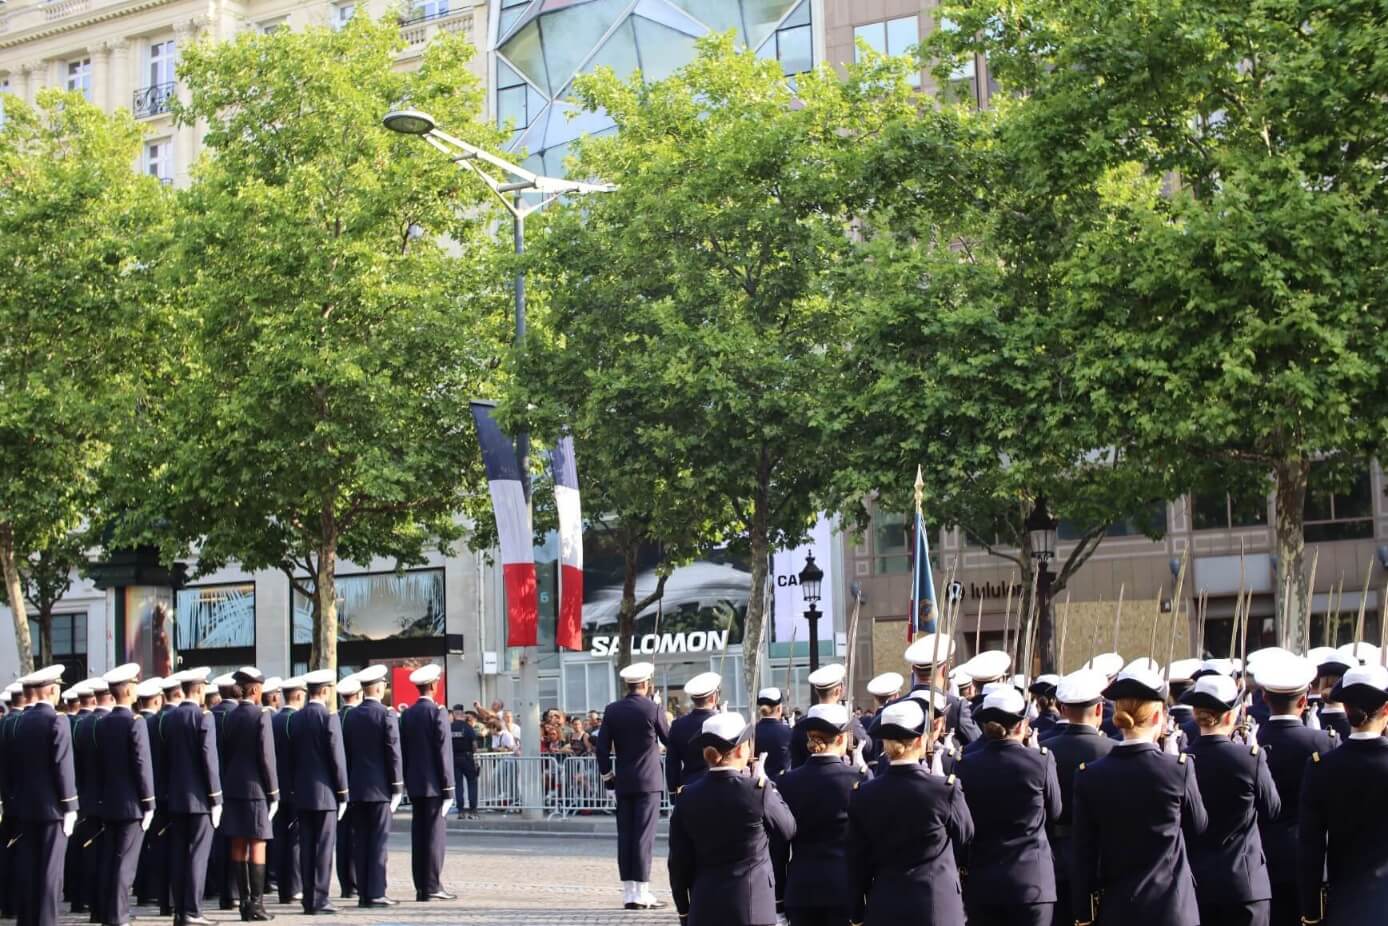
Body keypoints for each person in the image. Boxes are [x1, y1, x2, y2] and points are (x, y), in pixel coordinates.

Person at [1071, 664, 1207, 926]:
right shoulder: (1178, 769)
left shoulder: (1090, 775)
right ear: (1157, 717)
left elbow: (1083, 853)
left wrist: (1084, 915)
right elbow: (1198, 825)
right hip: (1171, 907)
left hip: (1119, 909)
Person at [847, 698, 973, 926]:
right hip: (936, 904)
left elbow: (858, 861)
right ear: (919, 740)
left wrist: (857, 914)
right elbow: (964, 835)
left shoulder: (863, 794)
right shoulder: (944, 790)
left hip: (886, 905)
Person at [667, 712, 795, 926]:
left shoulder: (687, 796)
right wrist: (769, 787)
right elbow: (788, 828)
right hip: (752, 906)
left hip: (705, 905)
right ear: (739, 750)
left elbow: (678, 863)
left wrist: (683, 910)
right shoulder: (758, 791)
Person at [952, 685, 1061, 926]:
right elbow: (1055, 811)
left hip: (984, 883)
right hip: (1032, 882)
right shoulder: (1041, 760)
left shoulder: (964, 764)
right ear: (1021, 725)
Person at [1179, 672, 1281, 926]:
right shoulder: (1249, 757)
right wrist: (1253, 754)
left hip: (1197, 883)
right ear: (1229, 716)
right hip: (1245, 884)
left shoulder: (1181, 761)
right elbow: (1272, 809)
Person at [1298, 662, 1388, 926]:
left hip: (1345, 906)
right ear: (1386, 709)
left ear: (1346, 709)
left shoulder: (1321, 767)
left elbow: (1311, 849)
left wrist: (1312, 913)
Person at [1254, 653, 1335, 926]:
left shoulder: (1250, 742)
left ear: (1264, 697)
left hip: (1264, 860)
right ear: (1303, 701)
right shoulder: (1323, 742)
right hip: (1312, 859)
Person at [776, 704, 863, 926]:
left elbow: (779, 846)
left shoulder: (787, 781)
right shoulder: (857, 778)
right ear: (841, 738)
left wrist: (779, 897)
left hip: (801, 887)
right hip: (844, 887)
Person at [594, 661, 669, 911]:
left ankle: (629, 892)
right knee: (643, 837)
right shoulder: (653, 708)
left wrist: (608, 778)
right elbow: (669, 738)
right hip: (648, 782)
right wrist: (659, 710)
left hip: (623, 782)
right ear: (646, 684)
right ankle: (642, 892)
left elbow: (602, 748)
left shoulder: (612, 710)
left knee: (625, 836)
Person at [1043, 668, 1114, 926]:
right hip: (1100, 855)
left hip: (1054, 856)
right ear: (1099, 709)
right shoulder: (1113, 750)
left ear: (1062, 709)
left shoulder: (1043, 750)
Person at [160, 667, 223, 926]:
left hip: (176, 797)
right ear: (199, 690)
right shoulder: (203, 717)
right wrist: (216, 797)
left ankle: (179, 910)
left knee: (178, 854)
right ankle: (192, 910)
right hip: (199, 799)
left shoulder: (170, 717)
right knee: (197, 855)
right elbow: (209, 760)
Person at [94, 664, 156, 926]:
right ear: (129, 690)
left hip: (109, 801)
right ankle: (119, 916)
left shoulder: (102, 723)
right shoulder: (135, 722)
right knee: (125, 864)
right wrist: (149, 801)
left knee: (110, 860)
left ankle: (108, 913)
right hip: (132, 803)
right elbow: (142, 764)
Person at [287, 670, 349, 916]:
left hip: (302, 791)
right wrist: (343, 791)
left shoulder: (296, 718)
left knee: (306, 848)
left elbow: (291, 757)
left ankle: (308, 898)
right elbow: (337, 758)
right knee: (323, 848)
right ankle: (320, 898)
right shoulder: (329, 717)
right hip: (325, 793)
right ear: (324, 691)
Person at [220, 667, 279, 922]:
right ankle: (256, 903)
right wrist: (273, 791)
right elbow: (267, 757)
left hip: (233, 787)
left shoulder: (229, 715)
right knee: (258, 843)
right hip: (255, 789)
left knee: (238, 844)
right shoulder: (261, 715)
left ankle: (244, 902)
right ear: (255, 689)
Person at [341, 665, 402, 908]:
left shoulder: (351, 716)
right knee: (378, 843)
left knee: (361, 842)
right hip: (380, 789)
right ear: (378, 688)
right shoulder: (386, 714)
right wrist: (397, 786)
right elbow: (393, 752)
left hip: (356, 787)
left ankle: (364, 893)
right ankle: (376, 892)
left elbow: (345, 753)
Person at [399, 664, 455, 902]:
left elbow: (403, 750)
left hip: (415, 782)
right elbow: (443, 752)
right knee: (434, 837)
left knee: (419, 836)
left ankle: (421, 886)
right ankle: (432, 886)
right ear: (434, 685)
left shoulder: (408, 714)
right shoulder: (437, 712)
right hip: (434, 784)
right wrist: (448, 786)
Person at [902, 635, 980, 749]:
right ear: (945, 670)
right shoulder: (956, 707)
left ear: (913, 669)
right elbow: (979, 746)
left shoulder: (895, 706)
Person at [133, 676, 171, 915]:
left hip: (139, 793)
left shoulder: (140, 722)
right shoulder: (159, 722)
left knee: (143, 846)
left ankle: (143, 890)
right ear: (157, 700)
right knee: (160, 846)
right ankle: (155, 892)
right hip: (161, 793)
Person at [790, 665, 870, 769]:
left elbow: (796, 761)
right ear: (838, 691)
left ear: (816, 691)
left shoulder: (802, 724)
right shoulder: (848, 722)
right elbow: (867, 747)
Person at [270, 677, 305, 906]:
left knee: (280, 837)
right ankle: (293, 887)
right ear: (300, 695)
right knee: (294, 841)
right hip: (294, 787)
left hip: (276, 787)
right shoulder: (297, 720)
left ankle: (283, 886)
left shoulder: (273, 720)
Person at [666, 671, 721, 795]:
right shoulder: (721, 722)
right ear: (714, 697)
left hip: (688, 787)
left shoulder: (678, 725)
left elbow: (672, 764)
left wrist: (673, 791)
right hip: (718, 787)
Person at [333, 674, 362, 901]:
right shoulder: (360, 718)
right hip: (358, 783)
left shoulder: (334, 717)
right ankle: (355, 882)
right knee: (357, 836)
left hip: (337, 784)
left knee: (342, 837)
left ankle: (346, 884)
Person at [861, 674, 903, 771]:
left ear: (876, 698)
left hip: (868, 772)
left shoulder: (864, 721)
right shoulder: (899, 722)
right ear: (896, 696)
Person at [753, 688, 792, 781]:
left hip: (756, 783)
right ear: (779, 708)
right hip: (781, 783)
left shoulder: (751, 731)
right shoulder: (788, 731)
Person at [450, 706, 480, 820]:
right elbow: (474, 745)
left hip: (454, 758)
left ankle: (461, 811)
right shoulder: (468, 727)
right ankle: (473, 810)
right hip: (467, 758)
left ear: (454, 714)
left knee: (458, 785)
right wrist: (474, 753)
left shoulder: (449, 727)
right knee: (472, 783)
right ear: (462, 715)